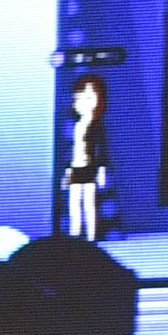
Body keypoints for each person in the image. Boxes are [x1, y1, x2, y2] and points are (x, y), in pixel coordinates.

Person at [61, 73, 110, 242]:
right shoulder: (74, 125)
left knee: (89, 203)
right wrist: (67, 171)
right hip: (75, 168)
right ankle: (75, 236)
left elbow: (101, 149)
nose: (83, 102)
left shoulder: (96, 125)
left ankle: (91, 237)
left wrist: (101, 171)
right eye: (79, 98)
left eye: (89, 98)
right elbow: (69, 149)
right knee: (74, 204)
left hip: (90, 169)